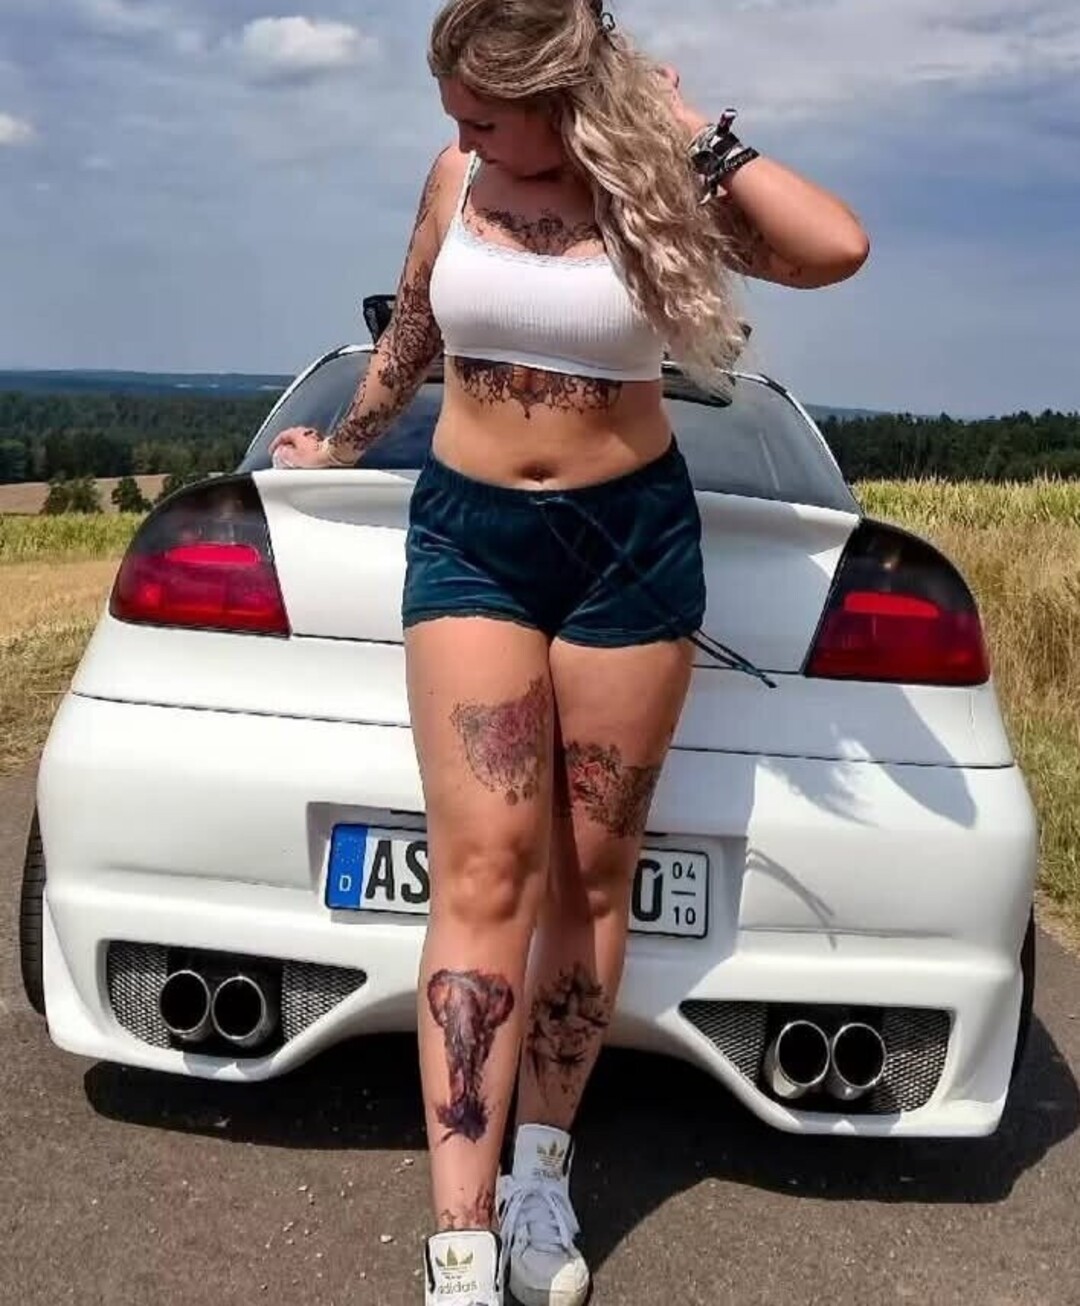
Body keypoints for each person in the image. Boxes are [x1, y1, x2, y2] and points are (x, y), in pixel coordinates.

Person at [269, 1, 869, 1301]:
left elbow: (835, 247)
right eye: (454, 112)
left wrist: (691, 131)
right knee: (485, 871)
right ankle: (461, 1237)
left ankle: (542, 1167)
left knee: (591, 878)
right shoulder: (457, 176)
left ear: (560, 98)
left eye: (486, 114)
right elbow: (415, 330)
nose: (461, 134)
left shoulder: (654, 182)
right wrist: (345, 443)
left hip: (628, 550)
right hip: (472, 542)